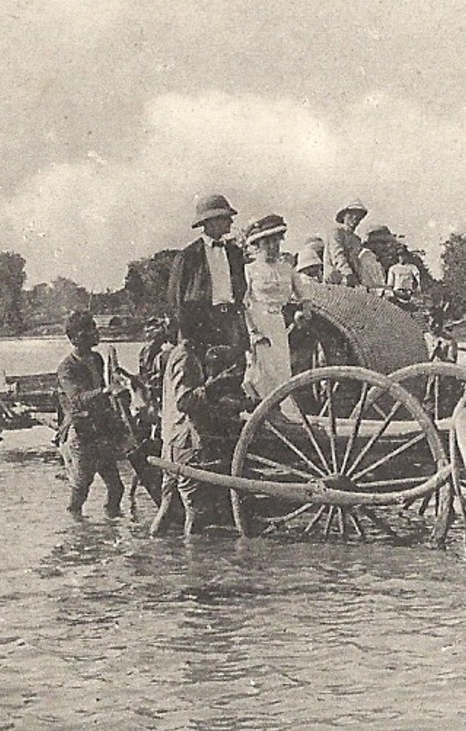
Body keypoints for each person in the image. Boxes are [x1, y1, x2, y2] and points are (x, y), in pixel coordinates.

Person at [149, 317, 246, 537]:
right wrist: (216, 384)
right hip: (186, 440)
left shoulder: (175, 354)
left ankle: (154, 544)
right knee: (194, 510)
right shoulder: (186, 359)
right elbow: (185, 402)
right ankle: (192, 561)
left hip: (172, 439)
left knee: (167, 503)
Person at [55, 309, 128, 518]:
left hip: (101, 432)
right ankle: (77, 532)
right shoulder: (67, 368)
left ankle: (111, 528)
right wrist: (106, 391)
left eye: (94, 328)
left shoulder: (96, 359)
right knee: (80, 490)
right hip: (81, 433)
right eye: (89, 329)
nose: (96, 333)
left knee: (116, 488)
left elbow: (104, 394)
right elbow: (77, 399)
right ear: (75, 337)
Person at [240, 213, 311, 403]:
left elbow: (304, 296)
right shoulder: (250, 270)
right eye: (267, 243)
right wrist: (252, 332)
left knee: (281, 370)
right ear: (258, 244)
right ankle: (260, 411)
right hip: (257, 323)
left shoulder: (287, 268)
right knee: (262, 372)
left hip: (278, 324)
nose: (272, 247)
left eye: (276, 242)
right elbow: (242, 304)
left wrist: (303, 311)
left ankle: (282, 412)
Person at [167, 193, 249, 351]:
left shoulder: (235, 253)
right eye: (225, 217)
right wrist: (181, 334)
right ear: (210, 221)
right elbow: (175, 299)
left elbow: (242, 289)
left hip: (230, 323)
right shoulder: (188, 256)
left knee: (233, 371)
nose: (231, 221)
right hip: (200, 325)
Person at [325, 200, 368, 286]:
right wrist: (348, 273)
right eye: (351, 215)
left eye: (358, 216)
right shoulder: (336, 233)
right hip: (335, 278)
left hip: (353, 280)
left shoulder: (356, 240)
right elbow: (337, 255)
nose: (355, 218)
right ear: (344, 216)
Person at [357, 223, 397, 292]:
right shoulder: (368, 257)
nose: (386, 246)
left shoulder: (374, 257)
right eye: (383, 243)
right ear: (373, 243)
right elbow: (376, 285)